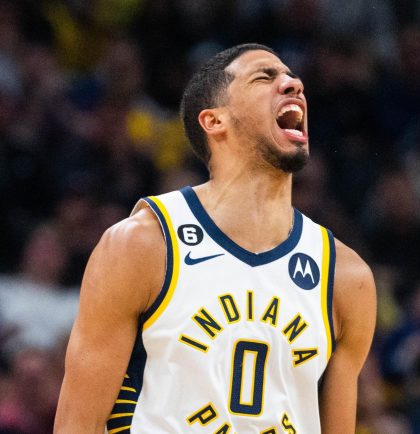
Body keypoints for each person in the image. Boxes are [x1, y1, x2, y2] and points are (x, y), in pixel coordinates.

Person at [53, 43, 377, 433]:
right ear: (214, 120)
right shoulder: (143, 244)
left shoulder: (346, 277)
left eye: (293, 78)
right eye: (264, 77)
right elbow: (77, 423)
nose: (294, 85)